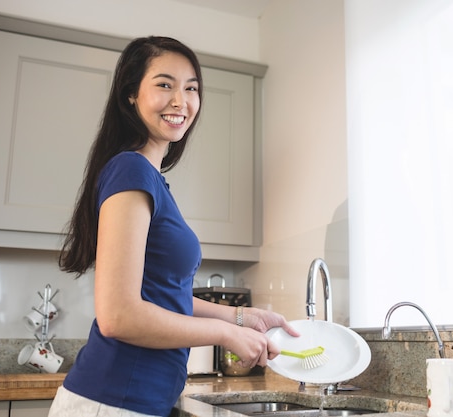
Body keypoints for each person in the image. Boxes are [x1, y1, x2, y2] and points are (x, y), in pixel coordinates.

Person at [48, 36, 299, 417]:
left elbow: (161, 296)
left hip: (133, 403)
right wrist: (225, 333)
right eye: (165, 84)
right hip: (110, 402)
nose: (181, 101)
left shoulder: (149, 177)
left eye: (191, 88)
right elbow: (119, 316)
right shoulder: (131, 170)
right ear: (131, 94)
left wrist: (241, 317)